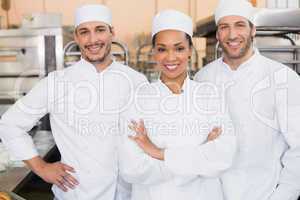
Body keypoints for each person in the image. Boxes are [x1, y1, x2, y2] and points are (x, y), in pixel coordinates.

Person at [129, 1, 300, 200]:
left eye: (240, 25)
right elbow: (192, 145)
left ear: (253, 30)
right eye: (224, 27)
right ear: (217, 34)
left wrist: (283, 195)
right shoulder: (203, 78)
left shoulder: (283, 78)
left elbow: (298, 147)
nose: (232, 34)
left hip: (263, 193)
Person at [0, 4, 146, 200]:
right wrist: (41, 167)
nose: (93, 39)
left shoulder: (136, 81)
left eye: (100, 30)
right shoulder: (58, 82)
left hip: (127, 194)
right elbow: (10, 123)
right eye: (84, 32)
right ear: (77, 37)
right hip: (77, 193)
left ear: (112, 32)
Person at [117, 9, 236, 200]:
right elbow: (131, 169)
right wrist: (200, 154)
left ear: (190, 51)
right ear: (154, 52)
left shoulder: (210, 95)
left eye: (179, 48)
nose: (171, 57)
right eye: (162, 49)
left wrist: (157, 152)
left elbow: (223, 158)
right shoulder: (137, 99)